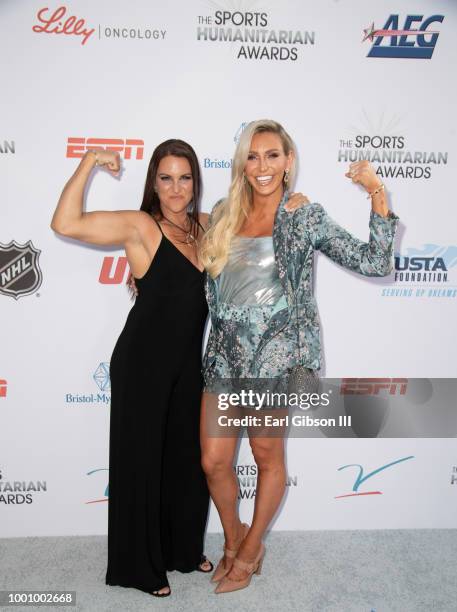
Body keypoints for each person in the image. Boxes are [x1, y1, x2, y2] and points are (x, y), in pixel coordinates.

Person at [199, 119, 399, 594]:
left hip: (275, 360)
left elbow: (374, 261)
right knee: (213, 461)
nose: (262, 165)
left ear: (289, 162)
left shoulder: (302, 215)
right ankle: (233, 539)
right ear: (242, 163)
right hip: (224, 360)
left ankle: (248, 554)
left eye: (272, 155)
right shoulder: (224, 212)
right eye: (253, 155)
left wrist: (376, 192)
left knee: (267, 456)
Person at [51, 139, 214, 597]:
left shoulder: (206, 225)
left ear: (195, 182)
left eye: (184, 178)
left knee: (186, 462)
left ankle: (182, 550)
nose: (176, 188)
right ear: (154, 183)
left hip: (188, 365)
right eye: (166, 178)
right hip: (142, 362)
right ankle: (140, 568)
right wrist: (88, 164)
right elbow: (65, 222)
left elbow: (256, 220)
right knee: (142, 463)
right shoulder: (142, 226)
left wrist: (290, 199)